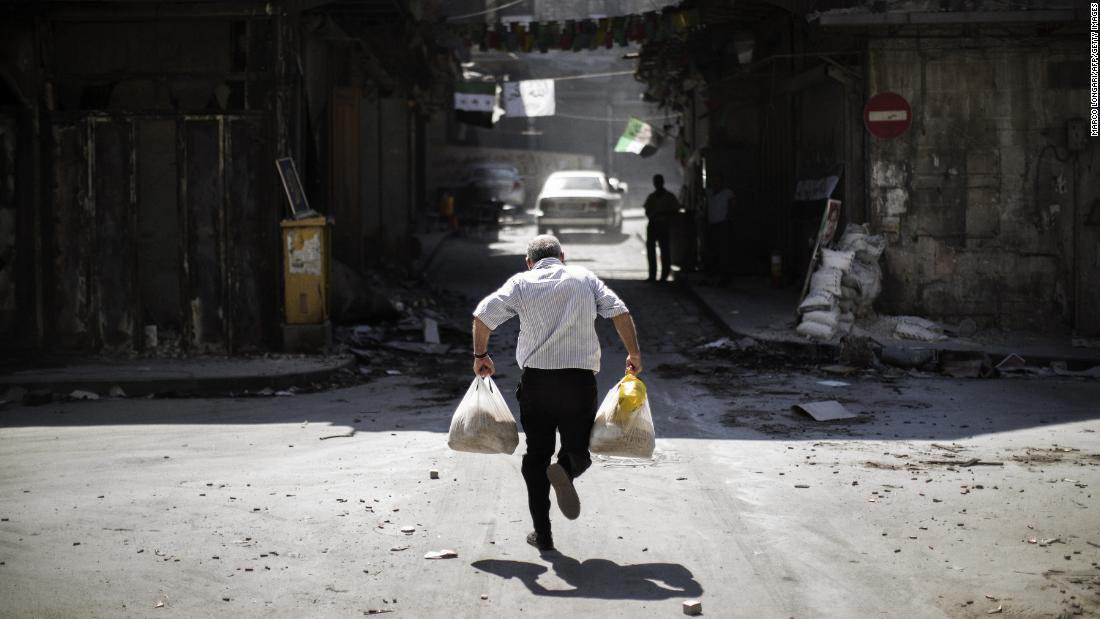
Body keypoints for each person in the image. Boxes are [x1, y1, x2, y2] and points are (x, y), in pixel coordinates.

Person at [471, 235, 642, 552]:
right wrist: (634, 353)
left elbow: (482, 316)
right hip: (578, 382)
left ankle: (543, 534)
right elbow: (619, 311)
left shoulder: (522, 282)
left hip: (537, 383)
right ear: (563, 256)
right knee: (578, 450)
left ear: (528, 261)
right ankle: (566, 468)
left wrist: (481, 356)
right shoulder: (584, 278)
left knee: (536, 457)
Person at [642, 174, 680, 282]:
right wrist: (653, 215)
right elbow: (647, 210)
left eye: (658, 182)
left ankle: (664, 275)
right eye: (656, 182)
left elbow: (674, 211)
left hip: (663, 225)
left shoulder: (669, 197)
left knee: (664, 251)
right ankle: (652, 275)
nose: (657, 184)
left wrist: (663, 215)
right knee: (651, 251)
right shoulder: (651, 197)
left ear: (662, 182)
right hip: (653, 225)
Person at [705, 172, 735, 286]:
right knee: (712, 251)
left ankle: (724, 277)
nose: (715, 183)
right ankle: (712, 276)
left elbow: (731, 208)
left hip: (723, 224)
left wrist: (728, 221)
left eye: (718, 180)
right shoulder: (709, 193)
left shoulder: (728, 193)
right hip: (712, 224)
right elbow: (707, 207)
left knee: (724, 252)